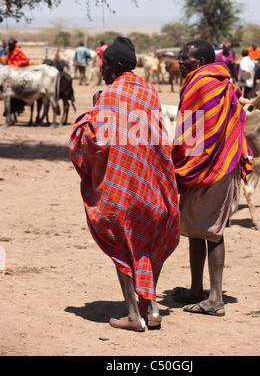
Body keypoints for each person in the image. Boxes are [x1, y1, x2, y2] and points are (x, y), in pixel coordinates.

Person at [69, 36, 180, 332]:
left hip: (122, 190)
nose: (102, 70)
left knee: (121, 246)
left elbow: (95, 142)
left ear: (117, 66)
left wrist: (92, 113)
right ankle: (153, 309)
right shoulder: (148, 91)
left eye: (105, 65)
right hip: (154, 187)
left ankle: (134, 315)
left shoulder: (111, 95)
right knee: (144, 246)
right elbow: (158, 139)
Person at [171, 39, 252, 317]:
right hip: (216, 163)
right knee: (196, 229)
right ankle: (196, 290)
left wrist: (182, 163)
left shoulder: (201, 84)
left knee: (213, 231)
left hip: (212, 167)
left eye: (186, 59)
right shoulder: (219, 81)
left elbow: (192, 130)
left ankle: (215, 298)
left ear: (201, 61)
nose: (181, 62)